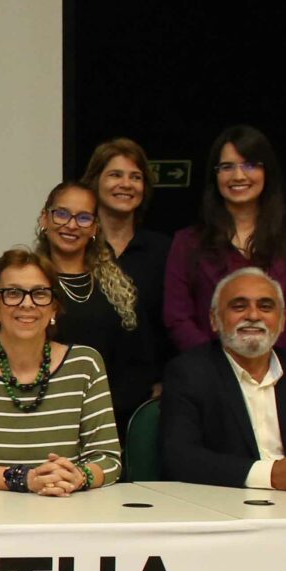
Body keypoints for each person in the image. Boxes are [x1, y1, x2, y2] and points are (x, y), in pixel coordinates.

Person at [0, 250, 120, 494]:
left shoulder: (85, 364)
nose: (27, 303)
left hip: (67, 508)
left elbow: (108, 459)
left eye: (40, 293)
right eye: (13, 293)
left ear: (54, 308)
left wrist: (78, 477)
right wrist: (25, 480)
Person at [159, 269, 286, 491]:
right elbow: (179, 458)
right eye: (239, 306)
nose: (253, 316)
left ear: (282, 320)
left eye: (266, 307)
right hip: (224, 505)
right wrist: (269, 475)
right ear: (214, 319)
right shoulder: (189, 373)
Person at [165, 125, 286, 359]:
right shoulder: (188, 243)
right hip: (212, 382)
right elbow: (178, 319)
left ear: (267, 172)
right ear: (215, 175)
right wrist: (217, 370)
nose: (238, 176)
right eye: (227, 167)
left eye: (250, 164)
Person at [33, 179, 154, 432]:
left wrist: (100, 409)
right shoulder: (26, 280)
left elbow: (138, 364)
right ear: (45, 218)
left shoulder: (119, 288)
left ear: (95, 227)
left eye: (84, 217)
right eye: (61, 214)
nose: (71, 225)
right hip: (40, 418)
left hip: (108, 421)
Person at [80, 138, 171, 401]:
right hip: (84, 396)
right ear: (95, 181)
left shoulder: (164, 251)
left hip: (148, 399)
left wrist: (166, 382)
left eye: (136, 177)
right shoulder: (76, 249)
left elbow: (173, 326)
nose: (126, 184)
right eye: (115, 175)